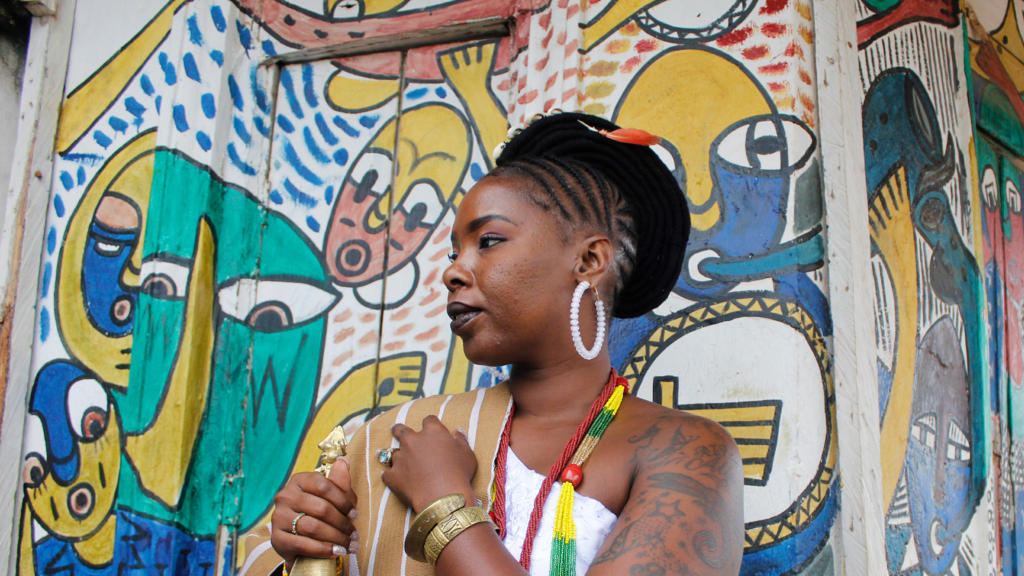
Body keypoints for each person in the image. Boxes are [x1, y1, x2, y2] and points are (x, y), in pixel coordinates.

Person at [240, 112, 744, 576]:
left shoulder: (686, 451)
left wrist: (443, 501)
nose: (454, 272)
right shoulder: (392, 441)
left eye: (489, 241)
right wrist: (301, 546)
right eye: (455, 250)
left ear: (589, 261)